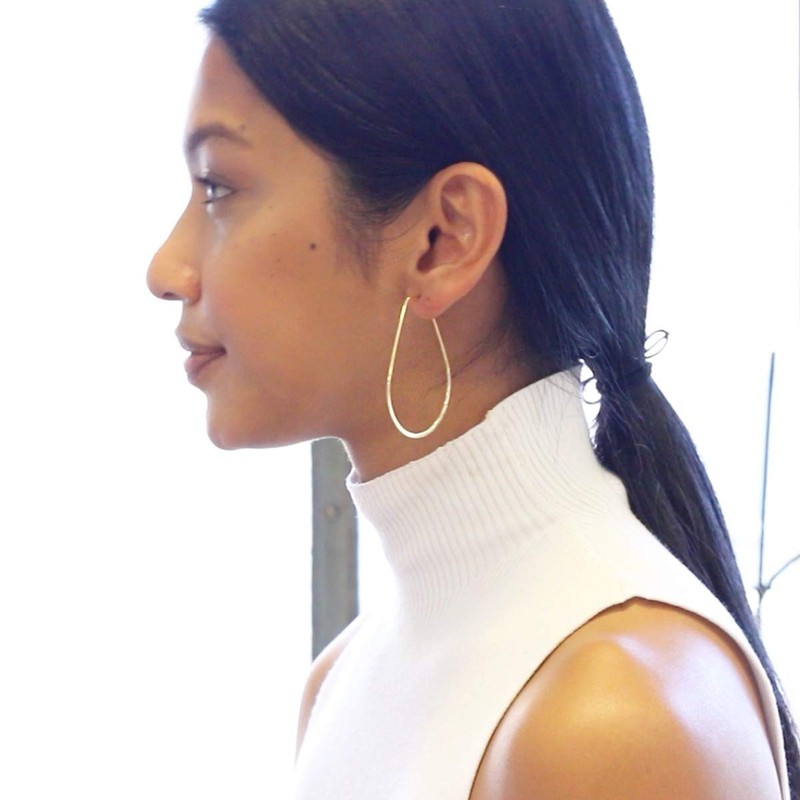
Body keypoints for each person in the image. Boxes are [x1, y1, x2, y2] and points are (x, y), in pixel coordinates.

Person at [147, 0, 798, 797]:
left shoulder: (613, 721)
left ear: (444, 238)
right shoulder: (341, 680)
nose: (166, 268)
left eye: (218, 187)